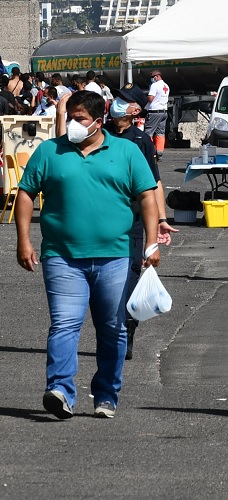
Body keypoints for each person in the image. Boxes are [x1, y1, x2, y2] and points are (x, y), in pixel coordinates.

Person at [15, 90, 160, 419]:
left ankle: (107, 393)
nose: (72, 126)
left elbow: (148, 198)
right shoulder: (49, 151)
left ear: (98, 121)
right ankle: (60, 390)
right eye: (69, 118)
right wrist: (23, 240)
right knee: (64, 324)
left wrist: (151, 243)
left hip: (115, 258)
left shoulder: (126, 151)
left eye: (79, 119)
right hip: (62, 257)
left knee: (113, 328)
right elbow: (25, 194)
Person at [106, 82, 179, 360]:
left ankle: (128, 330)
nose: (116, 104)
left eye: (123, 100)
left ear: (135, 109)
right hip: (106, 219)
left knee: (132, 275)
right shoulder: (99, 135)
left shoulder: (141, 141)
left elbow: (154, 183)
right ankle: (112, 331)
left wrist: (161, 219)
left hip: (134, 220)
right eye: (117, 98)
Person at [146, 70, 170, 160]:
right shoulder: (166, 86)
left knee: (149, 132)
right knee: (160, 133)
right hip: (164, 112)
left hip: (154, 112)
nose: (152, 79)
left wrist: (147, 97)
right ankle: (159, 153)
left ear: (156, 77)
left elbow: (151, 98)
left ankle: (148, 152)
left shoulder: (154, 85)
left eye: (153, 78)